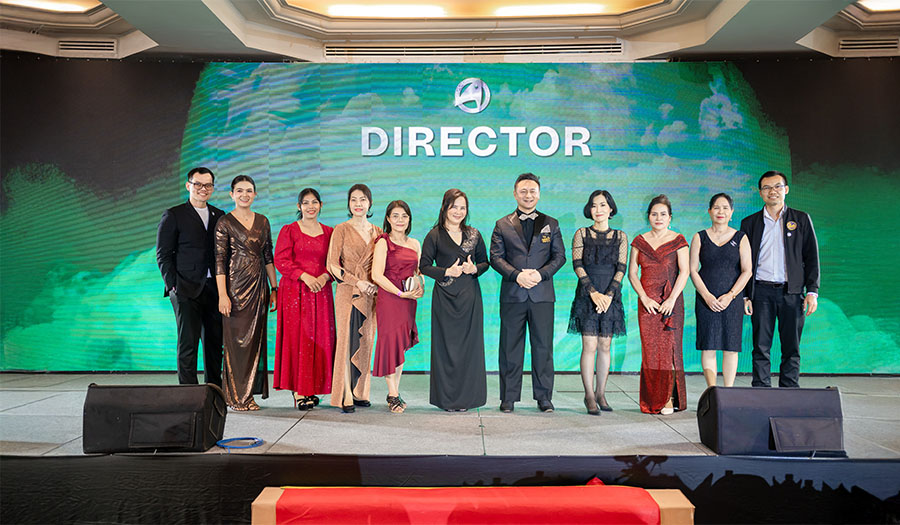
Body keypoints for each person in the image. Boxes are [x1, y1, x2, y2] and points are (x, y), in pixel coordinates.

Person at [490, 173, 566, 413]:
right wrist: (517, 276)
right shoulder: (502, 224)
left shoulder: (551, 223)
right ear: (515, 194)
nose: (528, 195)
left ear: (539, 194)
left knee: (543, 348)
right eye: (523, 191)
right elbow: (496, 257)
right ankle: (508, 398)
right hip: (513, 294)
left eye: (532, 191)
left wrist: (540, 275)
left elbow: (559, 257)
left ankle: (544, 398)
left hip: (542, 295)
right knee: (510, 347)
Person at [740, 171, 820, 388]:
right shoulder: (749, 223)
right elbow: (743, 262)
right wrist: (746, 296)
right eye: (767, 187)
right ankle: (761, 390)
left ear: (786, 189)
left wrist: (812, 292)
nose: (772, 191)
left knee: (791, 347)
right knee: (760, 347)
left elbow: (811, 257)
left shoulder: (801, 219)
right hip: (760, 292)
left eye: (777, 186)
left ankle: (790, 390)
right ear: (760, 193)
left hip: (791, 292)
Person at [419, 189, 489, 412]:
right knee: (445, 349)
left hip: (470, 299)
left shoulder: (474, 234)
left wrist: (474, 268)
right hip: (444, 300)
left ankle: (468, 399)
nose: (458, 211)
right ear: (445, 208)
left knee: (470, 349)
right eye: (454, 207)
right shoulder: (434, 235)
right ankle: (447, 400)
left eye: (462, 207)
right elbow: (424, 266)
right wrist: (446, 271)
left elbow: (485, 262)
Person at [156, 166, 224, 388]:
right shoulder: (174, 214)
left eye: (208, 185)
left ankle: (214, 392)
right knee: (188, 344)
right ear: (188, 186)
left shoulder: (219, 215)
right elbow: (163, 254)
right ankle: (189, 394)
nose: (203, 189)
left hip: (214, 288)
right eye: (198, 184)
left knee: (215, 344)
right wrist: (173, 286)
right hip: (185, 288)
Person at [214, 175, 277, 411]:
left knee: (254, 344)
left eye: (249, 190)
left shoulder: (263, 221)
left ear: (255, 194)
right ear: (232, 194)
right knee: (235, 343)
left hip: (259, 288)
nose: (244, 195)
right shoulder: (224, 222)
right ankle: (235, 397)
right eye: (239, 191)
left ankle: (248, 395)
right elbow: (219, 261)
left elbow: (268, 257)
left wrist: (274, 288)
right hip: (234, 289)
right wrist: (222, 295)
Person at [273, 188, 336, 411]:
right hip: (295, 292)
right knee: (298, 340)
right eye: (306, 203)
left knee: (319, 340)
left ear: (321, 205)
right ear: (299, 206)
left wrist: (325, 277)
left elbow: (336, 262)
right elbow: (281, 260)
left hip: (321, 292)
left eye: (314, 202)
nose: (311, 206)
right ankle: (299, 391)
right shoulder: (289, 230)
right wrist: (305, 277)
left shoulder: (330, 232)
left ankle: (311, 388)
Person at [567, 190, 627, 415]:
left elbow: (621, 268)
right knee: (589, 345)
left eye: (603, 205)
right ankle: (589, 395)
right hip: (587, 295)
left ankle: (601, 393)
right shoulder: (581, 234)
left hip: (611, 296)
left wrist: (608, 295)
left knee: (605, 345)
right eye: (594, 205)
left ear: (611, 209)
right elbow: (577, 264)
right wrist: (593, 293)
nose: (598, 209)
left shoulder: (621, 237)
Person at [628, 194, 689, 415]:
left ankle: (669, 399)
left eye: (663, 214)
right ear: (648, 217)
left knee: (670, 351)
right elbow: (632, 274)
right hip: (647, 305)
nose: (658, 218)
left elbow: (685, 271)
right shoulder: (639, 241)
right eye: (654, 214)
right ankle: (653, 399)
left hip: (671, 304)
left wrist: (671, 299)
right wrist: (644, 298)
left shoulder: (678, 240)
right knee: (651, 352)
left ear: (670, 217)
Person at [326, 184, 382, 413]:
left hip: (371, 295)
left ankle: (360, 391)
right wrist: (357, 282)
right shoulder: (341, 229)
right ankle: (344, 394)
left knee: (367, 341)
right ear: (349, 204)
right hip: (348, 292)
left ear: (370, 203)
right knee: (346, 342)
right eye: (354, 200)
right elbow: (332, 265)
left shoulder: (378, 232)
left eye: (363, 199)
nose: (358, 204)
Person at [689, 193, 753, 388]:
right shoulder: (699, 237)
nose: (721, 211)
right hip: (706, 299)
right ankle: (712, 390)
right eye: (716, 207)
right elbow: (692, 270)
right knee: (708, 346)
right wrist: (707, 296)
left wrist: (731, 295)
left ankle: (728, 391)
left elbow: (747, 271)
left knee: (730, 347)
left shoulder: (741, 237)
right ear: (709, 211)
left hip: (732, 300)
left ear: (731, 213)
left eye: (725, 208)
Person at [371, 200, 423, 413]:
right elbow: (376, 275)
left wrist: (420, 287)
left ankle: (395, 391)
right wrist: (399, 293)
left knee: (400, 346)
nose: (400, 220)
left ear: (409, 219)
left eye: (404, 216)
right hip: (390, 300)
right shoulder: (383, 242)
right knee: (389, 345)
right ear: (388, 219)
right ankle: (392, 394)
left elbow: (418, 273)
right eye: (395, 216)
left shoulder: (415, 244)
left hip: (409, 301)